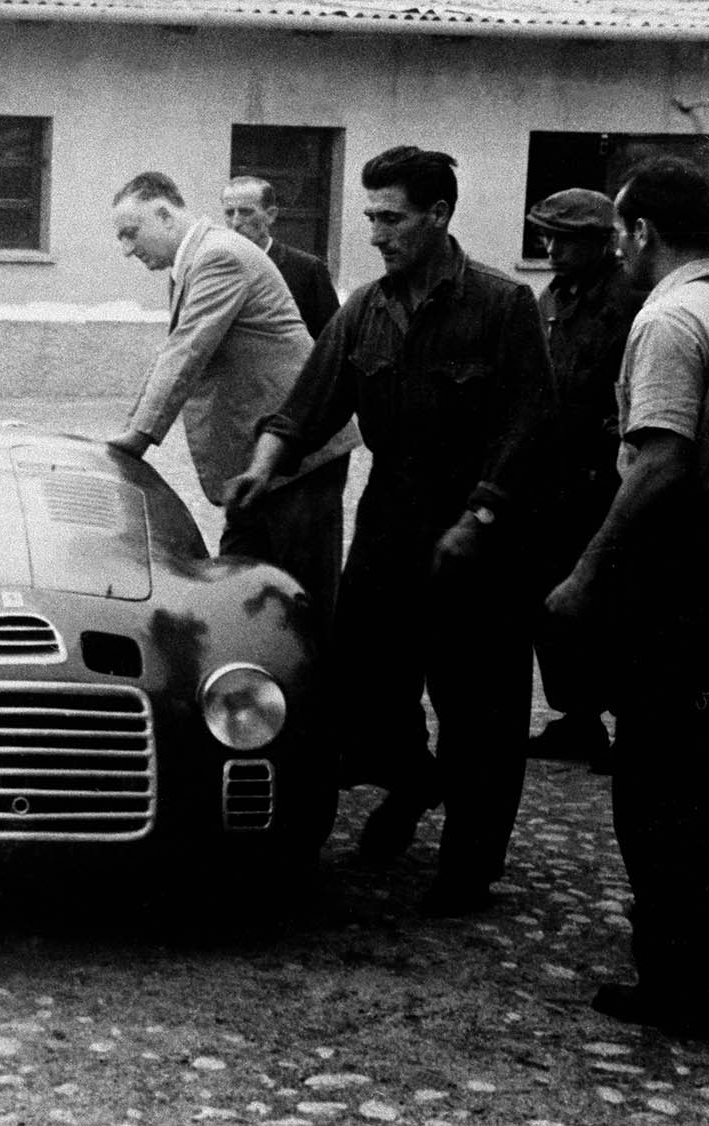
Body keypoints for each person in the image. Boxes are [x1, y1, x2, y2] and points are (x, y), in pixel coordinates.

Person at [226, 146, 553, 915]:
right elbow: (309, 404)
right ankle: (412, 783)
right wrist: (264, 467)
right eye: (370, 215)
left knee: (479, 710)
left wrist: (482, 514)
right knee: (365, 684)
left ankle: (469, 868)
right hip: (389, 523)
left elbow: (530, 423)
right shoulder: (364, 308)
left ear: (438, 216)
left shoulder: (502, 307)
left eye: (392, 217)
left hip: (478, 533)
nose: (376, 232)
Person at [545, 156, 709, 1038]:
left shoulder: (669, 318)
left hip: (678, 585)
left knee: (659, 783)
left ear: (643, 233)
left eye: (620, 231)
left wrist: (586, 571)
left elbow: (660, 460)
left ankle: (678, 977)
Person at [107, 171, 360, 635]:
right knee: (241, 589)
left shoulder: (218, 255)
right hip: (260, 461)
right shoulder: (195, 259)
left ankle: (319, 702)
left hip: (296, 455)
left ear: (164, 215)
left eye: (131, 233)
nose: (127, 248)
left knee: (301, 595)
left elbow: (189, 349)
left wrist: (136, 439)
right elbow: (176, 352)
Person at [525, 189, 645, 772]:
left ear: (602, 242)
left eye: (563, 238)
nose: (550, 248)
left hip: (607, 478)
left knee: (611, 603)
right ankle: (578, 719)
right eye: (545, 235)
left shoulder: (631, 300)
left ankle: (630, 726)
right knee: (553, 601)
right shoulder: (552, 296)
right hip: (556, 477)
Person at [222, 175, 341, 338]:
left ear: (270, 215)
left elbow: (331, 338)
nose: (235, 222)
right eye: (229, 213)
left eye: (246, 212)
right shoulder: (220, 269)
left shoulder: (306, 269)